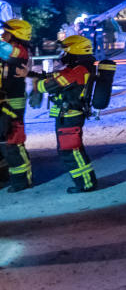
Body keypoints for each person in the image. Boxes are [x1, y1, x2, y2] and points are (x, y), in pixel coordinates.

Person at [32, 35, 99, 193]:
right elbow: (60, 77)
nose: (63, 55)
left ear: (75, 51)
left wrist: (39, 83)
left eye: (66, 51)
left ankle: (86, 184)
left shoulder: (79, 70)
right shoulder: (81, 68)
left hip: (70, 115)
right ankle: (86, 181)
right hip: (67, 113)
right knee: (73, 149)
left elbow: (50, 86)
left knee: (70, 150)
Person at [0, 19, 34, 192]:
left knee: (14, 140)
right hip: (4, 99)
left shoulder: (20, 51)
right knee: (3, 140)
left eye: (6, 32)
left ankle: (22, 180)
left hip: (13, 101)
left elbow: (3, 50)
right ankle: (5, 175)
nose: (3, 35)